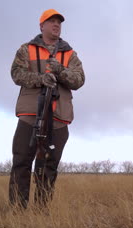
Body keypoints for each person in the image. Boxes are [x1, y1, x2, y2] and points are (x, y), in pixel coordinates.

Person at [9, 9, 85, 209]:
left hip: (59, 118)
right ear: (41, 26)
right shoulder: (26, 50)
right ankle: (18, 212)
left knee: (49, 166)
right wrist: (40, 79)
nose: (56, 25)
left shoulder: (69, 54)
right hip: (30, 116)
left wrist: (60, 70)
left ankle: (42, 213)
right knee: (22, 162)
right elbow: (16, 74)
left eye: (59, 22)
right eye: (51, 21)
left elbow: (79, 80)